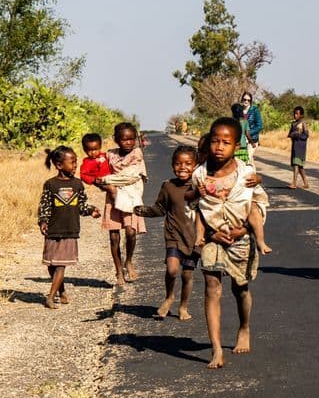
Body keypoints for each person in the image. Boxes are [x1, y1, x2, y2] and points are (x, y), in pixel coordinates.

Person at [192, 117, 270, 369]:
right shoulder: (200, 174)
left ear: (236, 146)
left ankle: (244, 326)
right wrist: (208, 234)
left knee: (240, 288)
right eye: (215, 140)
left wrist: (244, 229)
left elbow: (259, 204)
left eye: (226, 142)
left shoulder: (246, 174)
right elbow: (193, 207)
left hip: (241, 239)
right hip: (213, 239)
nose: (219, 146)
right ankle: (216, 349)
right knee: (212, 287)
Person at [134, 145, 200, 321]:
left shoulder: (200, 187)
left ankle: (183, 306)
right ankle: (169, 297)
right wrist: (145, 211)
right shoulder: (168, 186)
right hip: (174, 235)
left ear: (196, 165)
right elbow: (160, 208)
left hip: (194, 238)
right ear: (172, 165)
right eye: (178, 163)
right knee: (171, 270)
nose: (182, 167)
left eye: (188, 163)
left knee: (187, 275)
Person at [37, 145, 100, 309]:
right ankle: (61, 290)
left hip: (69, 230)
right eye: (72, 162)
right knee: (51, 264)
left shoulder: (77, 184)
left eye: (76, 162)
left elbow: (82, 205)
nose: (75, 165)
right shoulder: (50, 184)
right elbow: (44, 206)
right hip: (53, 229)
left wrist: (91, 210)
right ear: (59, 165)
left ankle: (50, 297)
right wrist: (43, 221)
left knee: (60, 265)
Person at [96, 122, 147, 285]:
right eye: (124, 139)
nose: (128, 143)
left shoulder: (137, 155)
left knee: (131, 232)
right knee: (114, 237)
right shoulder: (109, 156)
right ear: (116, 140)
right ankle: (118, 272)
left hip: (131, 198)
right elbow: (98, 175)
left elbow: (133, 176)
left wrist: (110, 182)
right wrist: (107, 187)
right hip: (112, 199)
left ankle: (129, 260)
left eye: (132, 139)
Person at [288, 106, 309, 189]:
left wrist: (297, 135)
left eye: (297, 114)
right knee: (300, 167)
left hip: (300, 147)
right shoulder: (293, 124)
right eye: (294, 113)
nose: (295, 115)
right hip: (294, 146)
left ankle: (294, 183)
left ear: (301, 115)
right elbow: (290, 134)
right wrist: (292, 135)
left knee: (296, 165)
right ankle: (306, 183)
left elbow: (306, 135)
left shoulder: (303, 123)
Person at [240, 91, 262, 164]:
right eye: (245, 99)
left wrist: (248, 132)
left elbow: (259, 125)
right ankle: (253, 174)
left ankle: (251, 174)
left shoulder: (255, 110)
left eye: (248, 100)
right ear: (242, 99)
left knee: (248, 159)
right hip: (241, 139)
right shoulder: (239, 110)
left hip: (252, 139)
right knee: (244, 160)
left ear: (250, 101)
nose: (246, 101)